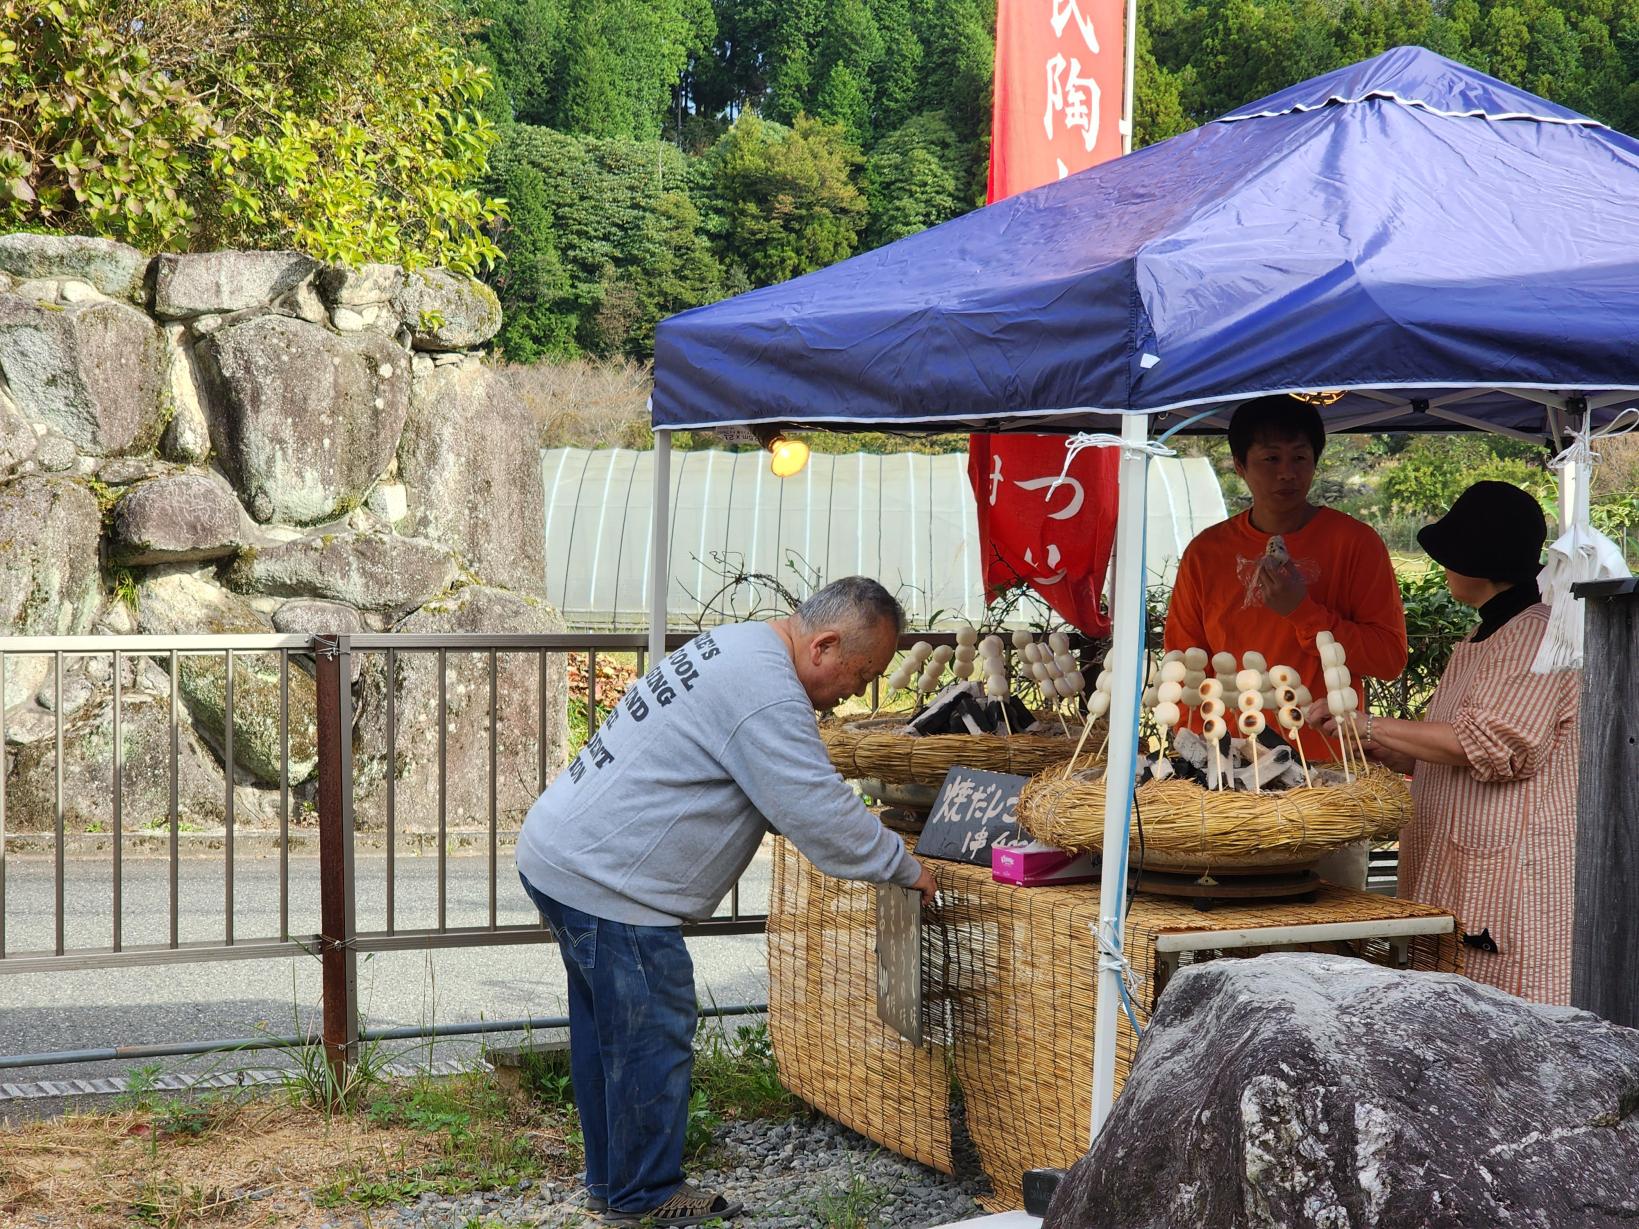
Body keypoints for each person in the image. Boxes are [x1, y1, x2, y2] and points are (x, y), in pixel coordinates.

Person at [515, 577, 938, 1225]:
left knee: (610, 1036)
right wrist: (902, 867)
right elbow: (815, 809)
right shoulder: (764, 689)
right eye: (861, 673)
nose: (859, 690)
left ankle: (615, 1186)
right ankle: (645, 1196)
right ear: (823, 644)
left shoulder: (741, 645)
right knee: (652, 1031)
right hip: (610, 880)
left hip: (566, 852)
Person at [1312, 481, 1578, 1005]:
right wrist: (1391, 748)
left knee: (1510, 1019)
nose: (1444, 566)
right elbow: (1455, 747)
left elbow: (1493, 744)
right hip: (1467, 862)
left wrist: (1369, 725)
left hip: (1512, 875)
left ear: (1478, 561)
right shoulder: (1488, 637)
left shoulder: (1534, 635)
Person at [1164, 394, 1409, 885]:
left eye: (1299, 458)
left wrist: (1301, 610)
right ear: (1239, 465)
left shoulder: (1354, 544)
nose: (1286, 473)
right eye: (1270, 459)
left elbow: (1387, 658)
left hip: (1325, 774)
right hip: (1226, 766)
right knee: (1233, 921)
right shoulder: (1207, 553)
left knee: (1330, 924)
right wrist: (1188, 755)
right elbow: (1184, 662)